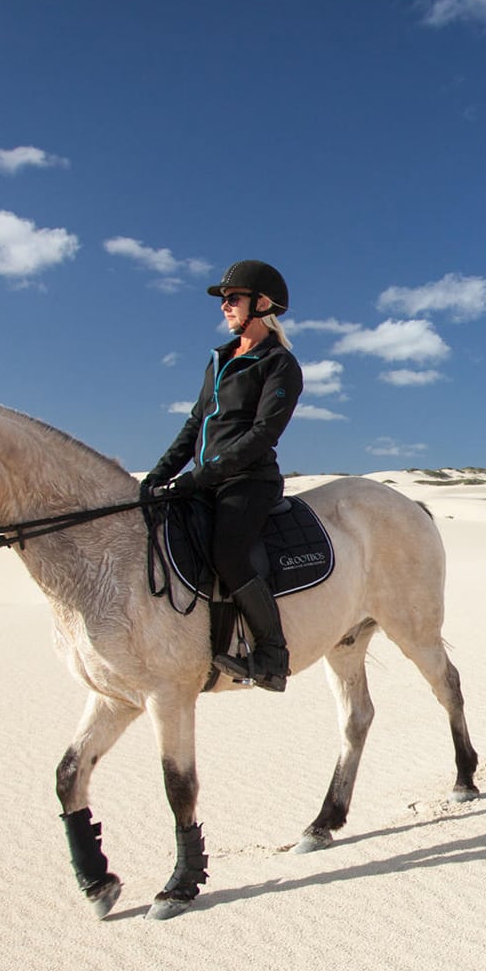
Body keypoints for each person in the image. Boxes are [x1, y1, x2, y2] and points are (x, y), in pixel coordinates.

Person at [143, 260, 304, 690]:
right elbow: (195, 424)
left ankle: (272, 654)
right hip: (207, 479)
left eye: (233, 299)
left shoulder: (279, 365)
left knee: (228, 552)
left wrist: (204, 475)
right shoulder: (218, 360)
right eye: (224, 301)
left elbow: (262, 434)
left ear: (262, 303)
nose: (225, 307)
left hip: (249, 481)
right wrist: (157, 476)